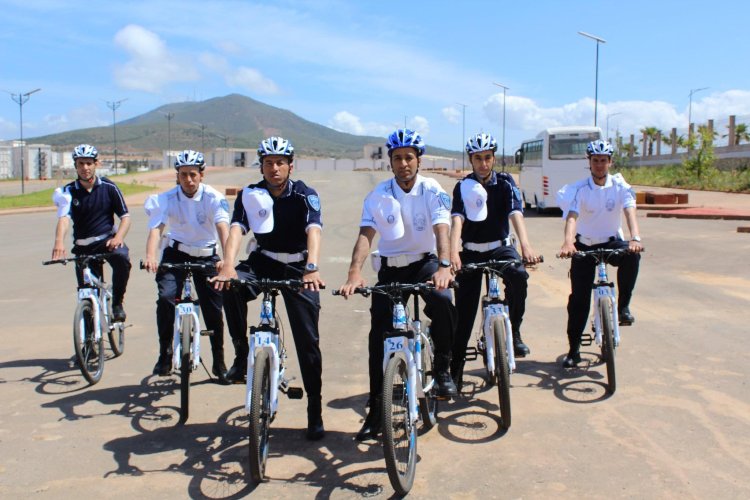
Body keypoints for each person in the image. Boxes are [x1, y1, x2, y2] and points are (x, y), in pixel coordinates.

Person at [338, 128, 458, 442]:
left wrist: (444, 266)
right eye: (397, 158)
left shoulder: (431, 189)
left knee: (443, 300)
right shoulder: (378, 195)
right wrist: (354, 272)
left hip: (424, 263)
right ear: (390, 162)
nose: (403, 163)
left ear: (419, 160)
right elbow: (366, 235)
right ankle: (377, 409)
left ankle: (443, 369)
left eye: (409, 157)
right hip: (391, 269)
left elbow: (442, 228)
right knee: (378, 336)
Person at [212, 136, 326, 441]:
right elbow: (237, 229)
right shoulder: (250, 194)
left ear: (290, 166)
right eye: (268, 163)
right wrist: (228, 264)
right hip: (263, 261)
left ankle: (314, 408)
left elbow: (314, 230)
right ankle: (241, 354)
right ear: (261, 166)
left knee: (308, 342)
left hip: (298, 267)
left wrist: (312, 267)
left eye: (280, 163)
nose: (274, 168)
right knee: (230, 286)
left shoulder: (304, 195)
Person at [449, 133, 542, 388]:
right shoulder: (463, 187)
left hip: (500, 248)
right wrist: (454, 251)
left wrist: (526, 246)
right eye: (478, 158)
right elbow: (457, 219)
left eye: (487, 157)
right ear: (471, 160)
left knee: (519, 275)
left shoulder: (505, 182)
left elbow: (515, 213)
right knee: (464, 314)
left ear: (494, 158)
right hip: (471, 251)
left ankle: (515, 330)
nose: (483, 163)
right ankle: (455, 371)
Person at [142, 150, 230, 383]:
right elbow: (156, 229)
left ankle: (219, 361)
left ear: (202, 174)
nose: (188, 180)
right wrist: (150, 256)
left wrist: (226, 261)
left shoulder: (213, 197)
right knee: (166, 298)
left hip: (207, 255)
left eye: (193, 174)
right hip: (176, 253)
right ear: (177, 176)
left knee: (214, 310)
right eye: (183, 175)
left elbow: (223, 229)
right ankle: (165, 354)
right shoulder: (167, 198)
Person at [557, 139, 644, 368]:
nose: (599, 165)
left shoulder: (619, 186)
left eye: (603, 160)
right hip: (585, 246)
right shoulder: (580, 189)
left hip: (612, 242)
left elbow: (630, 211)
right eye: (595, 160)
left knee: (632, 256)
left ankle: (623, 307)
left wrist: (635, 238)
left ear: (610, 162)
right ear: (589, 162)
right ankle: (574, 349)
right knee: (579, 300)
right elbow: (572, 217)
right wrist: (568, 243)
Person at [51, 144, 131, 321]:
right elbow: (64, 219)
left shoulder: (109, 187)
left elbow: (125, 217)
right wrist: (59, 242)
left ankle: (117, 302)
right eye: (81, 163)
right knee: (86, 295)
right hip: (83, 247)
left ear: (96, 164)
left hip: (107, 242)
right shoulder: (68, 191)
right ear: (75, 165)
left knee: (122, 259)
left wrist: (118, 238)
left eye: (89, 163)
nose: (85, 168)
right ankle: (89, 335)